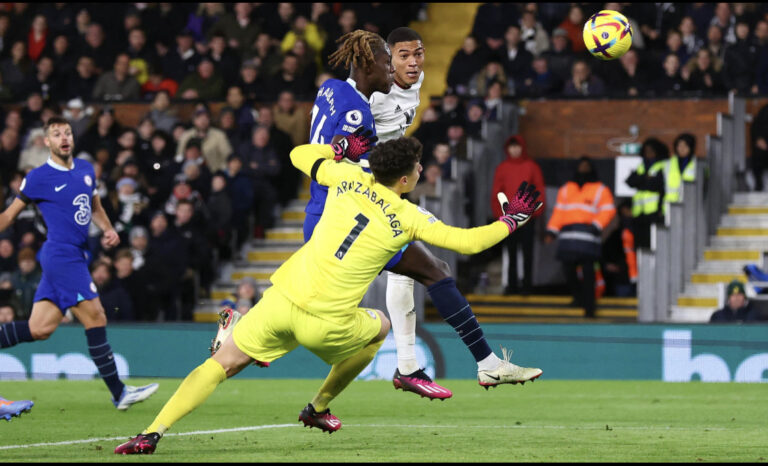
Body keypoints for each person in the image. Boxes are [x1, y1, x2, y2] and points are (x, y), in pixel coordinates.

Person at [114, 131, 544, 455]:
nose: (419, 171)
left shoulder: (346, 178)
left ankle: (151, 433)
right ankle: (317, 405)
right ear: (406, 177)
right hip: (326, 322)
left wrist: (339, 149)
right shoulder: (409, 217)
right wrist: (512, 221)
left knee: (218, 365)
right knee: (381, 327)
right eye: (417, 167)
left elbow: (299, 155)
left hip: (282, 299)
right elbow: (468, 242)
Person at [0, 116, 158, 410]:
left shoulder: (86, 170)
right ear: (47, 142)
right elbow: (8, 217)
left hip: (75, 255)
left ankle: (120, 392)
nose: (64, 138)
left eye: (68, 133)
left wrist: (108, 229)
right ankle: (119, 392)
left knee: (39, 328)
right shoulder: (37, 177)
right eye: (57, 134)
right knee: (96, 316)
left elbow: (95, 206)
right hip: (60, 255)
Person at [545, 156, 616, 318]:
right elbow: (559, 212)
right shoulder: (566, 189)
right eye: (581, 166)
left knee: (588, 272)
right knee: (568, 270)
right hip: (568, 237)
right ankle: (579, 298)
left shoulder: (600, 189)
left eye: (586, 166)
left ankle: (589, 308)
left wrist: (597, 225)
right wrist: (551, 231)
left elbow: (609, 209)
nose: (583, 169)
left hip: (588, 237)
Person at [490, 135, 546, 295]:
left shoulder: (532, 167)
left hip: (528, 216)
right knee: (511, 251)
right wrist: (498, 213)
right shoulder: (502, 168)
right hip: (508, 217)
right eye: (511, 147)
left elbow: (539, 190)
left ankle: (527, 286)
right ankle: (512, 286)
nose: (514, 150)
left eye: (517, 147)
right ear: (508, 149)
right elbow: (497, 192)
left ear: (522, 148)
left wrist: (536, 211)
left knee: (528, 252)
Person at [625, 137, 669, 249]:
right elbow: (630, 181)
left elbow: (656, 185)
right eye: (646, 151)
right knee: (640, 244)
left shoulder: (663, 165)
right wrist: (645, 178)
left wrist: (641, 181)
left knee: (654, 243)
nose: (648, 154)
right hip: (640, 212)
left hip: (655, 211)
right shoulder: (642, 166)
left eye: (651, 151)